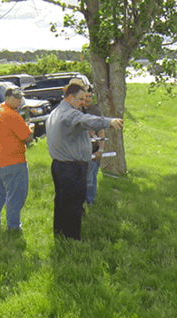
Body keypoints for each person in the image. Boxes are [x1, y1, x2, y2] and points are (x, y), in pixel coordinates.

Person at [46, 83, 122, 240]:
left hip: (59, 165)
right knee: (74, 202)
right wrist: (109, 121)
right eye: (80, 99)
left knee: (61, 201)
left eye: (86, 98)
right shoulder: (70, 114)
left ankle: (60, 233)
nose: (84, 102)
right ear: (70, 97)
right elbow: (88, 120)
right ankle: (72, 238)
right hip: (72, 168)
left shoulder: (56, 112)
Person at [0, 87, 33, 230]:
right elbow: (28, 137)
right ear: (7, 98)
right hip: (12, 162)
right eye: (16, 98)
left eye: (20, 98)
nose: (19, 101)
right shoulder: (12, 116)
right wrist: (30, 128)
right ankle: (13, 226)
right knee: (16, 194)